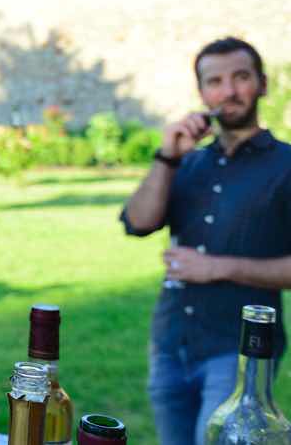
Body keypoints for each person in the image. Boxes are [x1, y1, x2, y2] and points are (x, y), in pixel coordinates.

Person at [121, 36, 291, 445]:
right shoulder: (187, 162)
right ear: (202, 93)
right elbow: (138, 222)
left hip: (238, 353)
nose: (228, 91)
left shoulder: (287, 165)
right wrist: (167, 157)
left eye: (241, 77)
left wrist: (217, 268)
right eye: (215, 81)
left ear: (263, 84)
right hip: (170, 342)